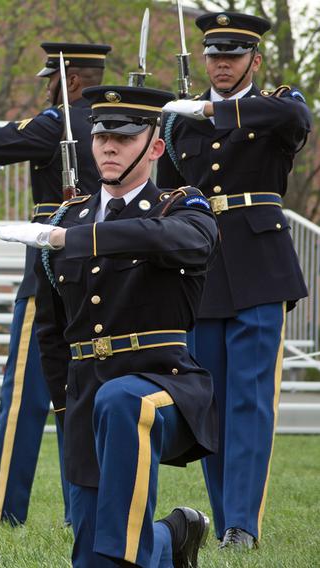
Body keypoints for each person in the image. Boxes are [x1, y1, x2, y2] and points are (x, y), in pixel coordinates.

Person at [0, 85, 217, 567]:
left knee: (122, 400)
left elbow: (189, 242)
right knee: (94, 554)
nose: (109, 147)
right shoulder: (67, 217)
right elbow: (52, 329)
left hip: (164, 385)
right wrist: (63, 402)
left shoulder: (182, 207)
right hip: (86, 397)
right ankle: (173, 537)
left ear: (155, 147)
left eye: (124, 137)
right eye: (101, 138)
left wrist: (75, 239)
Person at [158, 12, 312, 550]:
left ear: (254, 58)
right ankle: (225, 522)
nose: (221, 64)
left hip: (261, 265)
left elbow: (297, 119)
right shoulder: (180, 121)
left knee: (250, 398)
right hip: (203, 270)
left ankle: (242, 525)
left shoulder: (277, 104)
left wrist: (211, 109)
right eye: (214, 55)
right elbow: (168, 198)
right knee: (212, 403)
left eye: (232, 55)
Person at [0, 40, 111, 526]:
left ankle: (3, 507)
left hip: (48, 272)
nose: (47, 89)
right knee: (83, 390)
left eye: (51, 80)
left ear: (72, 80)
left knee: (24, 394)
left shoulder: (59, 122)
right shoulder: (119, 127)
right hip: (103, 268)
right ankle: (78, 510)